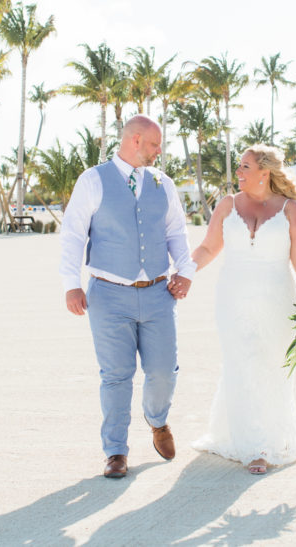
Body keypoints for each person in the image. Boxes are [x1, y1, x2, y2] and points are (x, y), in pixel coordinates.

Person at [60, 115, 195, 479]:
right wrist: (71, 284)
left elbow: (176, 232)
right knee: (116, 375)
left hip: (157, 293)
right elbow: (73, 234)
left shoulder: (162, 184)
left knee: (164, 370)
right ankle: (115, 451)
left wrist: (186, 271)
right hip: (108, 294)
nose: (158, 151)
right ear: (135, 140)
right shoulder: (93, 180)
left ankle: (158, 420)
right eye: (154, 144)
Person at [188, 144, 296, 474]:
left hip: (276, 299)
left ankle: (267, 439)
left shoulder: (290, 210)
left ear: (264, 172)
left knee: (269, 364)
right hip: (232, 297)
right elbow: (208, 248)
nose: (238, 172)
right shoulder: (227, 205)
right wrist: (182, 273)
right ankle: (254, 446)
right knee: (240, 361)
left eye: (245, 166)